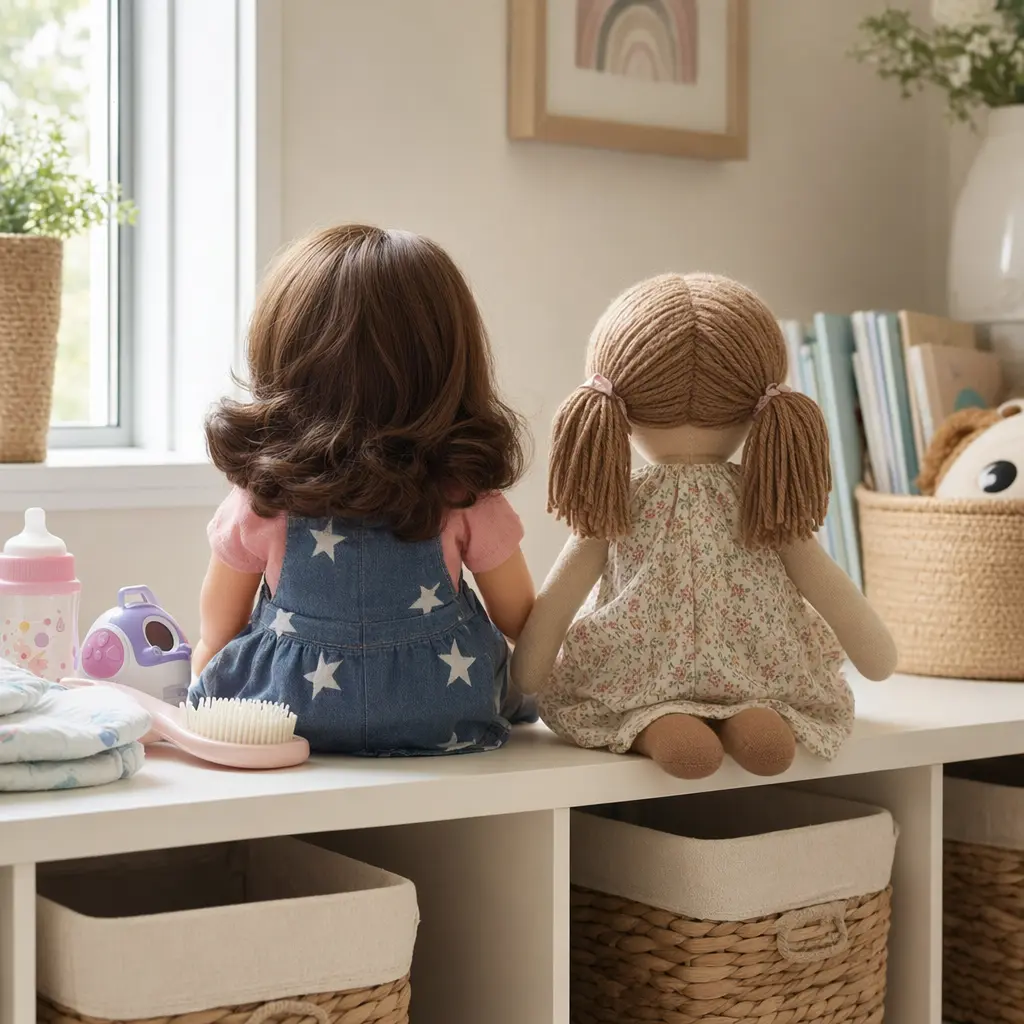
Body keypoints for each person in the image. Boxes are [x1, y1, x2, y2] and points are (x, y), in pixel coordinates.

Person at [512, 273, 897, 779]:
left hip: (650, 670)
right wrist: (876, 654)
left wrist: (529, 670)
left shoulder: (628, 498)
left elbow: (565, 589)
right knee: (711, 733)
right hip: (743, 665)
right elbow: (818, 573)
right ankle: (666, 723)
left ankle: (733, 717)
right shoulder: (758, 496)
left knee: (739, 729)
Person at [191, 224, 536, 754]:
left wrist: (201, 690)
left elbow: (217, 629)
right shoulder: (463, 495)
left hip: (289, 713)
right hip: (448, 706)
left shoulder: (263, 498)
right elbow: (520, 619)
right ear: (447, 367)